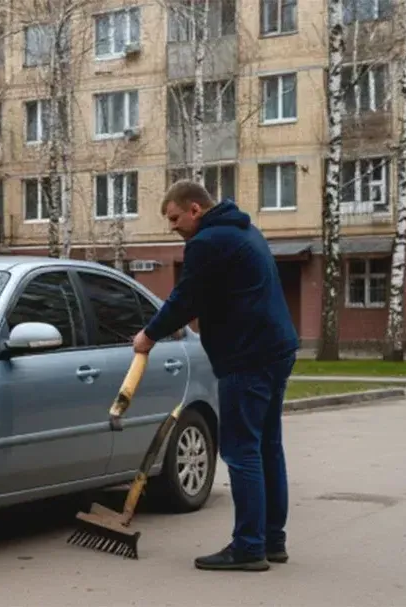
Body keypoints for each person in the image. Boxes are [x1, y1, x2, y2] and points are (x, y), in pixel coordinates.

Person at [132, 180, 299, 572]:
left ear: (195, 209)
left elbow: (185, 298)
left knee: (241, 451)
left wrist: (148, 335)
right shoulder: (245, 230)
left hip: (248, 357)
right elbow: (212, 294)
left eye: (174, 218)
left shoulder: (207, 242)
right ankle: (272, 540)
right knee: (267, 447)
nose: (172, 226)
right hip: (277, 349)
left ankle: (248, 547)